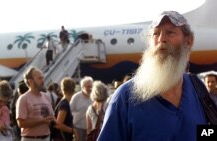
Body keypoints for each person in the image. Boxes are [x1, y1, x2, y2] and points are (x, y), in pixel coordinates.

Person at [98, 11, 208, 141]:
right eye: (155, 33)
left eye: (170, 32)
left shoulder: (197, 88)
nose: (161, 39)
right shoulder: (125, 97)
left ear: (188, 42)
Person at [16, 67, 56, 141]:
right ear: (30, 81)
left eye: (42, 78)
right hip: (31, 138)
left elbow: (51, 117)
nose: (43, 81)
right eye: (39, 78)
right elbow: (21, 124)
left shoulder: (46, 97)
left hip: (47, 137)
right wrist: (42, 121)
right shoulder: (23, 99)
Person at [53, 77, 78, 141]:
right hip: (62, 137)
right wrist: (73, 130)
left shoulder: (63, 102)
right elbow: (58, 124)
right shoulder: (64, 104)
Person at [70, 76, 93, 141]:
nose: (90, 88)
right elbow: (70, 111)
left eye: (91, 86)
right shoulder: (76, 97)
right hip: (78, 127)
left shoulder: (93, 96)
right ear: (83, 87)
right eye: (88, 86)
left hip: (91, 128)